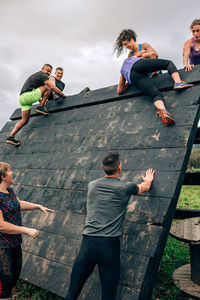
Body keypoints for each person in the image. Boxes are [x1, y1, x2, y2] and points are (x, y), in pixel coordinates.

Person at [65, 152, 155, 300]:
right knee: (108, 296)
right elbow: (144, 187)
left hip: (87, 244)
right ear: (119, 167)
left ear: (102, 167)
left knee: (72, 293)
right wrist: (148, 179)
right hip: (109, 246)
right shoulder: (126, 187)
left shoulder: (91, 185)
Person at [115, 29, 194, 126]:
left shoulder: (143, 46)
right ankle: (178, 84)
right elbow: (149, 58)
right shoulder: (130, 55)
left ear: (132, 39)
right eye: (124, 45)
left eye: (127, 44)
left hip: (142, 75)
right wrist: (140, 57)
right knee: (168, 63)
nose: (126, 47)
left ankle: (163, 111)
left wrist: (141, 56)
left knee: (155, 95)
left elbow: (154, 55)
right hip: (142, 73)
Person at [0, 162, 54, 300]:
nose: (13, 173)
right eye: (10, 171)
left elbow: (17, 204)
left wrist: (38, 206)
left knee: (12, 282)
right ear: (3, 176)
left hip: (15, 244)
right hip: (3, 248)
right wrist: (26, 230)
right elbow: (1, 225)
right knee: (4, 287)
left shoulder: (9, 191)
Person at [6, 64, 67, 146]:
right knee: (48, 87)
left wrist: (41, 100)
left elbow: (38, 90)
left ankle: (11, 137)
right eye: (47, 71)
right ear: (42, 69)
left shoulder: (37, 76)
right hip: (28, 96)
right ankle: (40, 107)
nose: (48, 73)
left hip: (22, 99)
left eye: (50, 72)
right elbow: (51, 87)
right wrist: (63, 95)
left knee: (24, 120)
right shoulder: (42, 75)